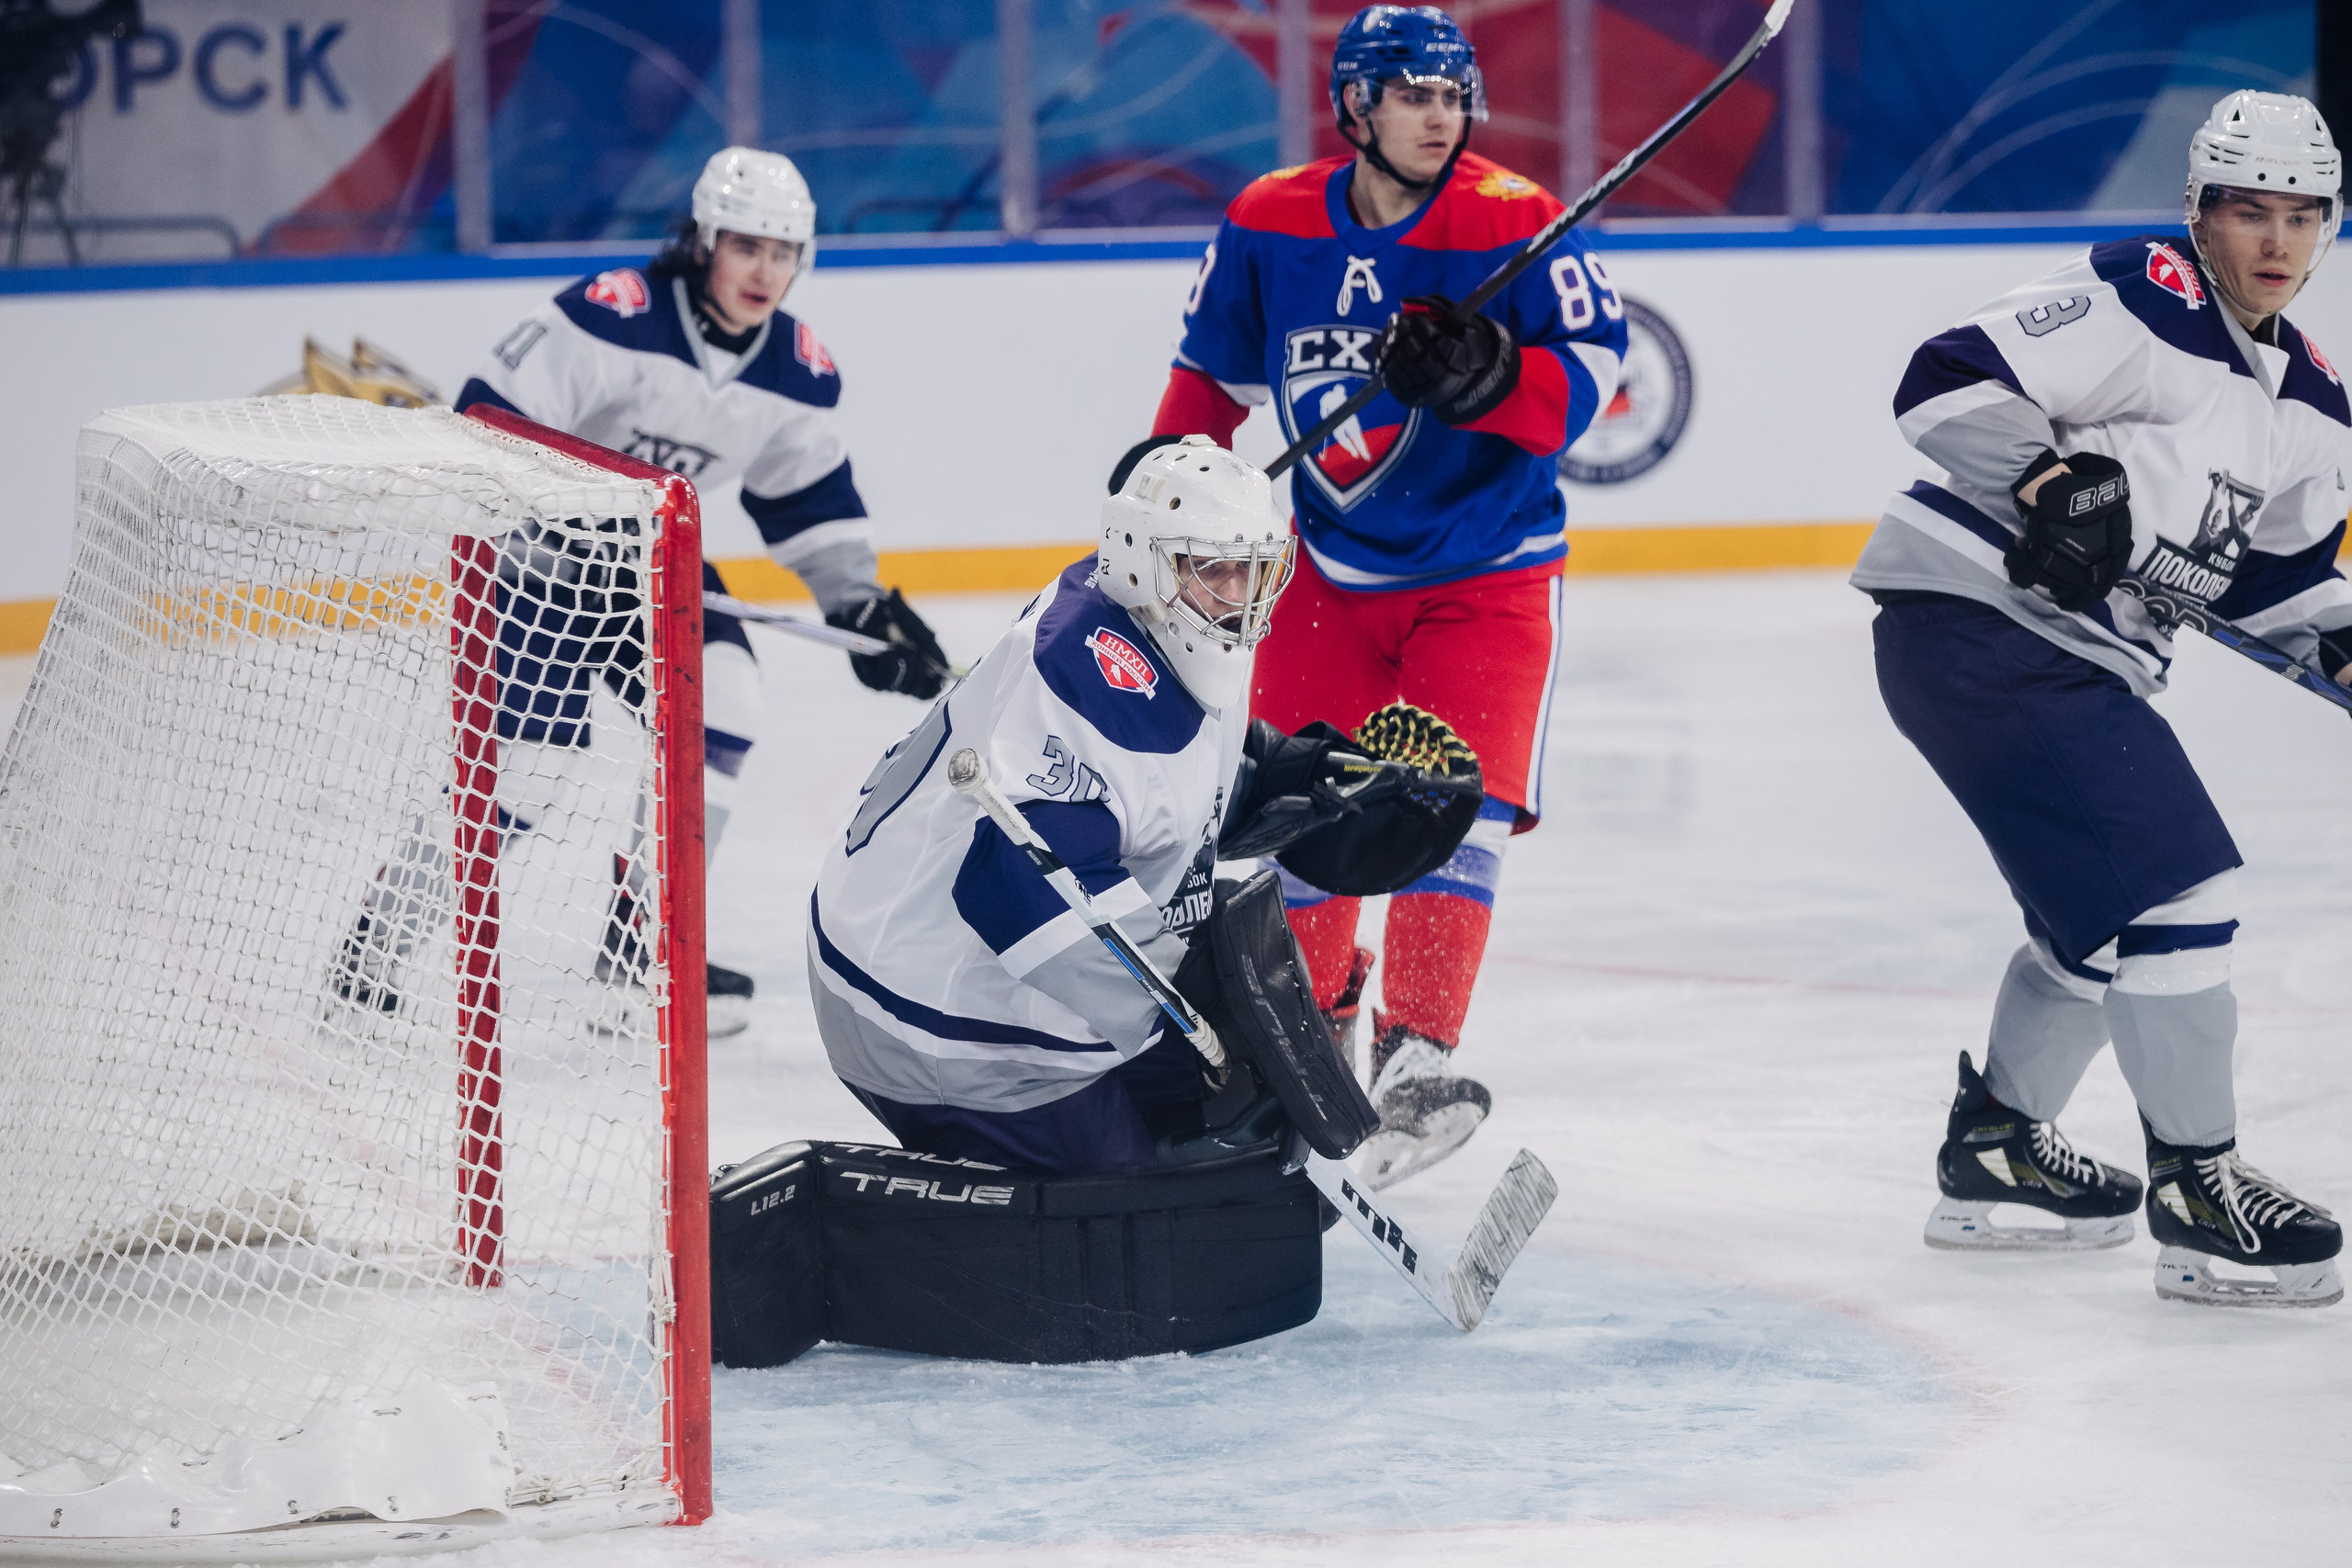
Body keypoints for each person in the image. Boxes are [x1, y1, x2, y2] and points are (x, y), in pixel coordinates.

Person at [1851, 90, 2347, 1307]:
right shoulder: (2146, 292)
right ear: (2199, 213)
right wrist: (2046, 478)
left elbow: (2277, 587)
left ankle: (1997, 1155)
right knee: (2180, 885)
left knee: (2099, 921)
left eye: (2303, 214)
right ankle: (2199, 1184)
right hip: (1981, 621)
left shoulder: (2312, 406)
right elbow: (1945, 375)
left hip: (2068, 658)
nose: (2275, 241)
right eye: (2247, 210)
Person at [1132, 4, 1627, 1189]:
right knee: (1302, 816)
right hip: (1319, 568)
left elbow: (1594, 382)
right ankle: (1308, 1050)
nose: (1439, 114)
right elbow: (1209, 380)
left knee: (1463, 804)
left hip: (1486, 566)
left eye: (1454, 94)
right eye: (1412, 93)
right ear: (1355, 105)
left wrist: (1491, 375)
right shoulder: (1269, 218)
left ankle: (1416, 1054)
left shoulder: (1511, 221)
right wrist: (1160, 496)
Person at [809, 437, 1476, 1176]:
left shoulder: (1172, 624)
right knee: (1154, 1218)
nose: (1240, 595)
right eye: (1214, 570)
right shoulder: (1087, 673)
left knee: (1246, 1144)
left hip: (971, 959)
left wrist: (1324, 789)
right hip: (921, 1007)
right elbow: (1020, 887)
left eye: (1254, 570)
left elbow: (1176, 789)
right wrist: (1195, 1006)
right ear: (1142, 562)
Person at [455, 147, 950, 1036]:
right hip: (541, 569)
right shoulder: (616, 315)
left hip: (654, 572)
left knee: (729, 700)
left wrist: (862, 608)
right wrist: (558, 515)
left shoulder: (795, 370)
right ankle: (377, 939)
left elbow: (805, 497)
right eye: (746, 246)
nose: (765, 271)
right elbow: (488, 413)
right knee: (525, 784)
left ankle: (640, 949)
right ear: (703, 240)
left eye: (783, 252)